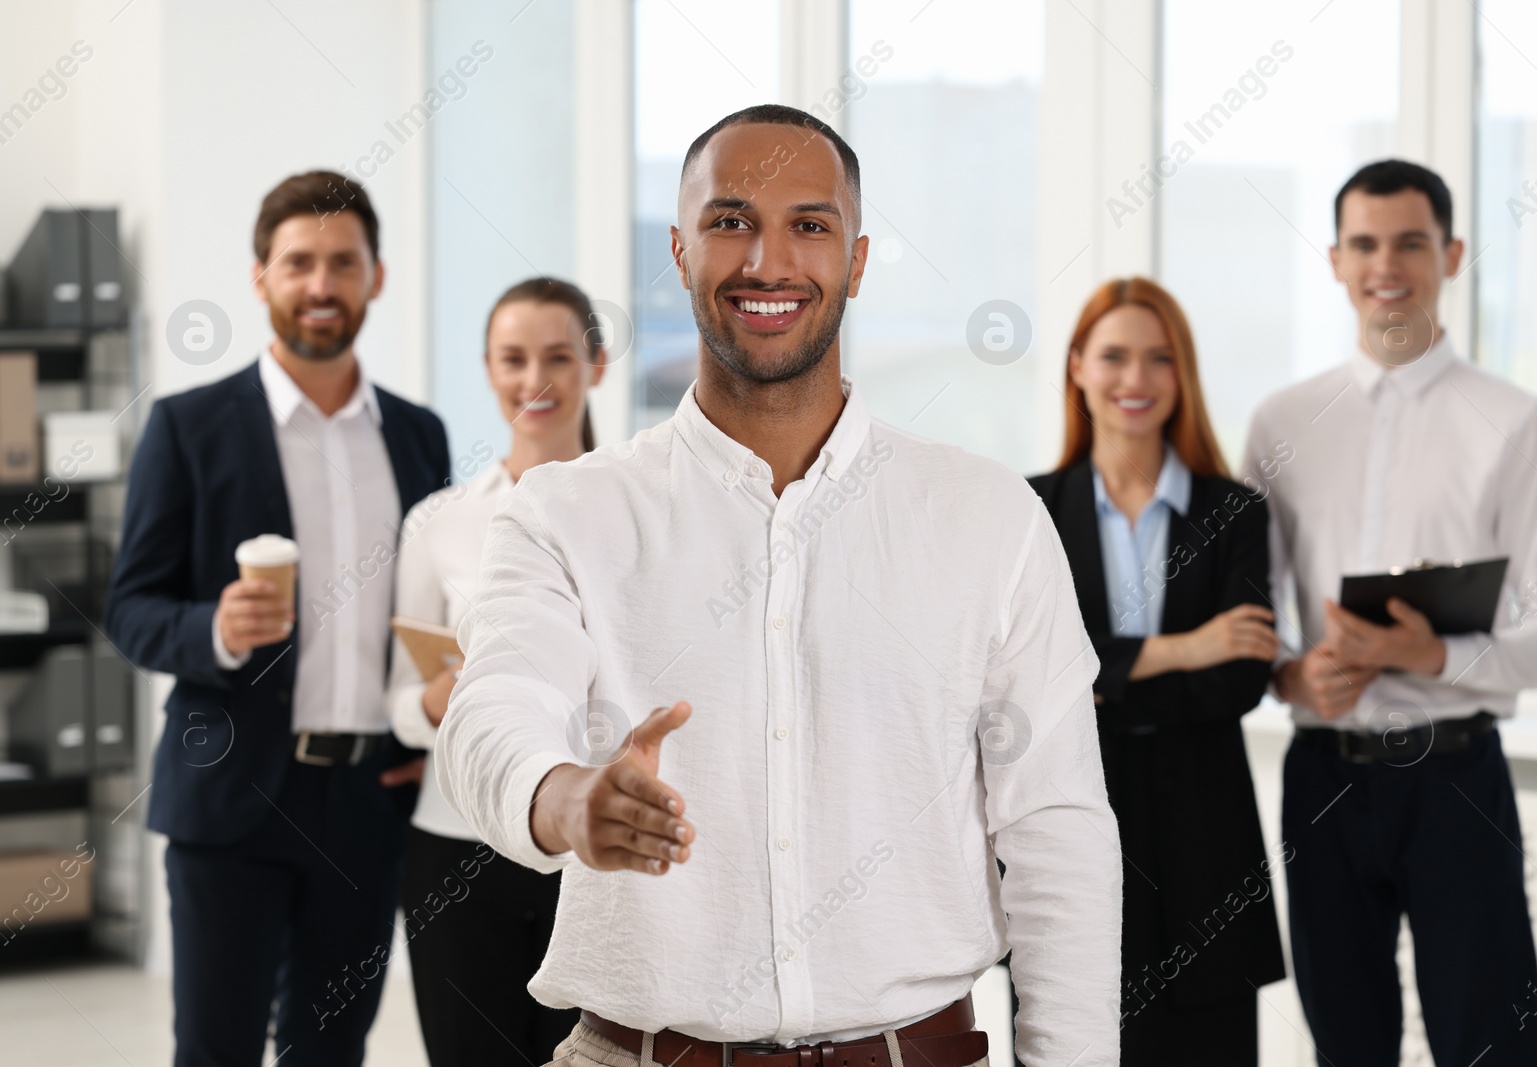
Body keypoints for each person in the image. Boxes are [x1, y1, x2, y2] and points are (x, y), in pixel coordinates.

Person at [432, 104, 1122, 1067]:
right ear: (678, 250)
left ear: (859, 257)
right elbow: (490, 709)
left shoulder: (986, 516)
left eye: (810, 223)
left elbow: (1057, 829)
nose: (767, 262)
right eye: (729, 222)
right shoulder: (564, 514)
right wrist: (562, 796)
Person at [1243, 159, 1537, 1066]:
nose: (1384, 264)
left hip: (1456, 783)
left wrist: (1433, 654)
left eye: (1409, 242)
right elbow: (1254, 616)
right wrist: (1291, 670)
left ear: (1453, 254)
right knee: (1345, 1045)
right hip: (1324, 778)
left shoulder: (1521, 424)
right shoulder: (1281, 423)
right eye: (1364, 243)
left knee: (1492, 1047)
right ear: (1333, 259)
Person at [104, 171, 451, 1066]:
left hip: (369, 804)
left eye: (344, 262)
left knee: (331, 1050)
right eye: (299, 262)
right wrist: (216, 629)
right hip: (231, 802)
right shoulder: (188, 428)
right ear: (261, 277)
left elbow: (430, 606)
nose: (322, 285)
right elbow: (130, 609)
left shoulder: (417, 435)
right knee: (215, 1050)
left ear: (376, 275)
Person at [1027, 277, 1287, 1064]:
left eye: (1157, 359)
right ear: (1076, 367)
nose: (1134, 380)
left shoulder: (1235, 511)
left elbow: (1239, 680)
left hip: (1206, 841)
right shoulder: (1031, 509)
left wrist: (1103, 670)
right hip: (1074, 820)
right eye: (1113, 356)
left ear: (1183, 374)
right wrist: (1183, 646)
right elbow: (1028, 676)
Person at [387, 277, 603, 1065]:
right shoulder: (440, 522)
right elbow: (400, 705)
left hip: (589, 845)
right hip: (458, 845)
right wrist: (436, 702)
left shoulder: (637, 505)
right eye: (514, 358)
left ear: (596, 366)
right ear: (487, 368)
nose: (534, 379)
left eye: (557, 356)